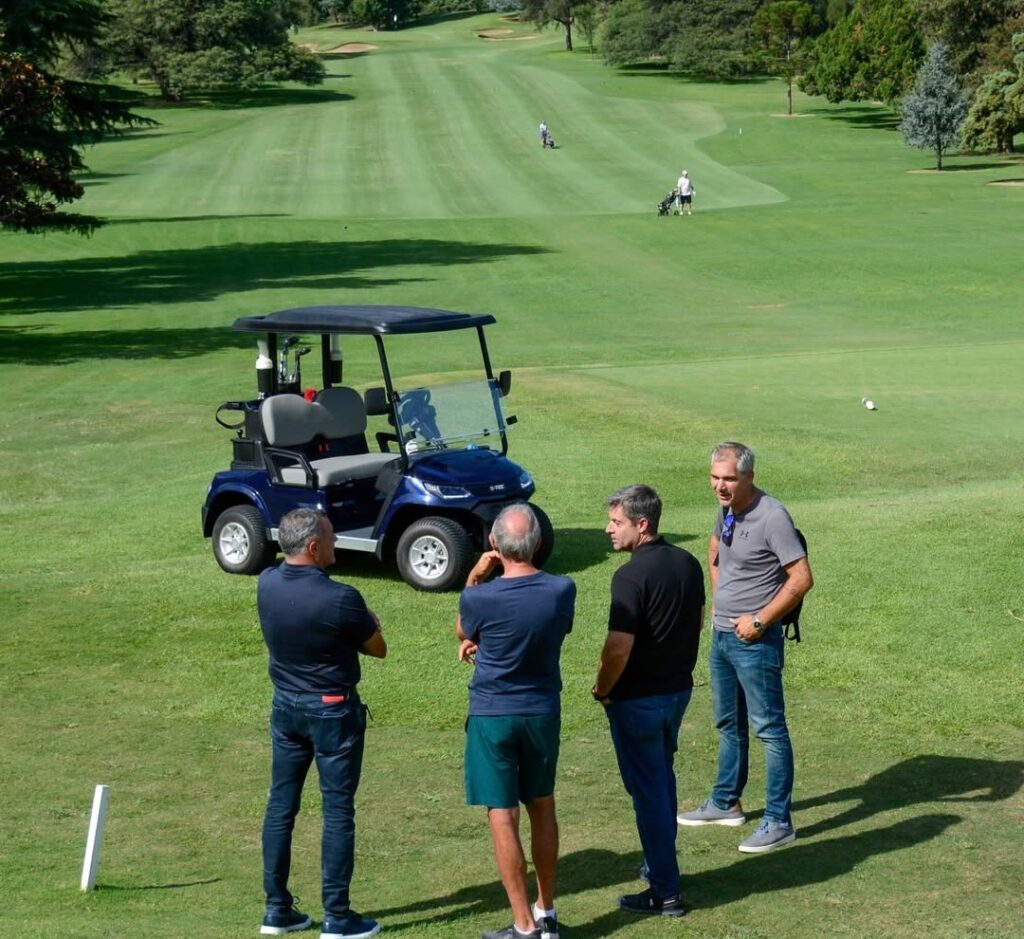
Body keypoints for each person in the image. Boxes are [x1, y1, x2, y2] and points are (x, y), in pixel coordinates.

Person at [677, 442, 813, 854]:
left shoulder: (773, 517)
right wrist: (721, 602)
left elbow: (801, 577)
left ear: (749, 476)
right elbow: (715, 546)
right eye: (715, 478)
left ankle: (778, 820)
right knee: (727, 723)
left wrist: (759, 620)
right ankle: (726, 802)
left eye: (729, 479)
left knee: (769, 729)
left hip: (755, 642)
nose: (720, 486)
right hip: (721, 636)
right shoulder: (726, 509)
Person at [258, 508, 387, 939]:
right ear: (313, 547)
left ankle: (277, 909)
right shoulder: (342, 597)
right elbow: (377, 646)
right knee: (336, 811)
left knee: (281, 806)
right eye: (331, 537)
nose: (336, 543)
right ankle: (337, 916)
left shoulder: (267, 583)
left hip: (285, 708)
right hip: (332, 711)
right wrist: (370, 621)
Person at [456, 504, 576, 939]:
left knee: (502, 815)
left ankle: (523, 925)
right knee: (542, 805)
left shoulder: (478, 596)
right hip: (541, 712)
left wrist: (476, 573)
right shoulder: (562, 590)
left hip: (492, 715)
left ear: (494, 544)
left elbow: (463, 627)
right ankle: (547, 912)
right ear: (539, 544)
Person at [592, 484, 705, 918]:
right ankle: (659, 866)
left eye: (616, 522)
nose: (608, 529)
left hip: (638, 701)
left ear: (643, 525)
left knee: (649, 793)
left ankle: (665, 891)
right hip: (676, 693)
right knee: (661, 780)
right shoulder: (688, 563)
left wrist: (602, 689)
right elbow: (695, 621)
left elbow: (617, 648)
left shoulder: (630, 577)